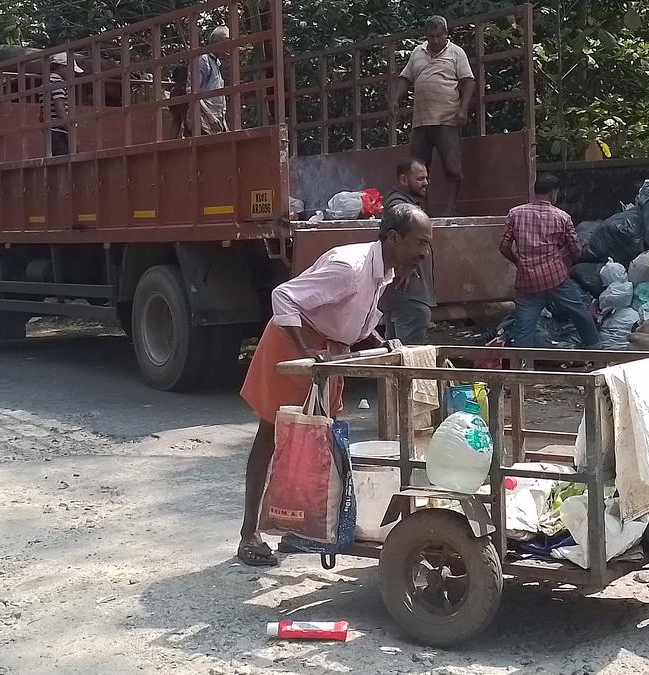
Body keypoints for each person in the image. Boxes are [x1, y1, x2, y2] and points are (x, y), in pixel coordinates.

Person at [236, 203, 433, 566]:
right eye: (419, 243)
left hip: (329, 352)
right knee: (273, 435)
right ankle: (249, 534)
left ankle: (298, 528)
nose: (424, 252)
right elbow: (284, 297)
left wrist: (379, 342)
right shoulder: (350, 268)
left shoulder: (384, 271)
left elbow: (351, 320)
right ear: (392, 238)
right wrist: (307, 349)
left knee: (314, 442)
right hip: (294, 344)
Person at [499, 173, 599, 349]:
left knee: (524, 328)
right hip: (556, 279)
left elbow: (504, 247)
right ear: (554, 193)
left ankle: (524, 368)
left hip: (527, 282)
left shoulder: (515, 214)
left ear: (535, 191)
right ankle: (597, 352)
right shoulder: (562, 217)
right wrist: (565, 258)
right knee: (579, 313)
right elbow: (576, 250)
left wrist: (518, 262)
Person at [392, 15, 475, 216]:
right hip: (421, 121)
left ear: (446, 34)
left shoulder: (456, 53)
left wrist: (463, 109)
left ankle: (450, 206)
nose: (435, 40)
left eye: (439, 36)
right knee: (418, 167)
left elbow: (468, 81)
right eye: (431, 36)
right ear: (426, 36)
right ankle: (421, 209)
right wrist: (395, 99)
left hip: (446, 119)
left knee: (451, 165)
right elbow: (406, 77)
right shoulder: (417, 53)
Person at [379, 159, 435, 344]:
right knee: (409, 358)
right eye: (420, 178)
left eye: (426, 178)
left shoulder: (404, 203)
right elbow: (390, 234)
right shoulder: (400, 206)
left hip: (402, 297)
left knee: (396, 355)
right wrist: (406, 266)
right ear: (403, 179)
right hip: (408, 295)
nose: (425, 183)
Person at [188, 26, 229, 135]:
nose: (229, 45)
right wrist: (210, 116)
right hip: (203, 122)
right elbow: (191, 91)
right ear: (215, 42)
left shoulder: (217, 63)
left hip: (215, 121)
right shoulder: (203, 60)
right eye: (226, 41)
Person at [45, 53, 80, 156]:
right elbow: (60, 110)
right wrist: (71, 131)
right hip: (60, 132)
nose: (72, 74)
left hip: (51, 131)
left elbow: (42, 114)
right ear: (62, 67)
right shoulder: (58, 83)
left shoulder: (46, 84)